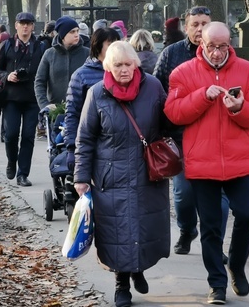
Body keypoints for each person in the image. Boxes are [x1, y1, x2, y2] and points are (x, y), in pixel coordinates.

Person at [164, 21, 249, 304]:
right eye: (211, 46)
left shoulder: (248, 70)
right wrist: (201, 96)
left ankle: (236, 265)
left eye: (222, 46)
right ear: (201, 43)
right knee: (210, 227)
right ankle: (217, 284)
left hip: (240, 162)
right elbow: (173, 113)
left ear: (230, 44)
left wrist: (240, 108)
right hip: (202, 163)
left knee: (246, 215)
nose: (216, 52)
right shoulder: (183, 73)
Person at [74, 41, 170, 307]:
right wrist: (81, 177)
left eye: (128, 64)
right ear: (108, 66)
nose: (124, 70)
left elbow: (169, 123)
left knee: (143, 225)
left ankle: (138, 268)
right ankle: (121, 285)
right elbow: (85, 138)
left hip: (147, 172)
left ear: (136, 64)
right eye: (118, 65)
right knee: (116, 232)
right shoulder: (97, 93)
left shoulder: (153, 87)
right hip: (110, 176)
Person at [154, 6, 229, 256]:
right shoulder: (171, 55)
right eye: (194, 24)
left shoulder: (224, 55)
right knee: (184, 194)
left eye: (204, 23)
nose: (199, 29)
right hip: (181, 136)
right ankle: (187, 229)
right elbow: (157, 91)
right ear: (186, 27)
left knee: (220, 198)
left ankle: (216, 242)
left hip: (217, 136)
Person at [0, 12, 45, 187]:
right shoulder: (7, 45)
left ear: (32, 26)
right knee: (11, 134)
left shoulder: (40, 46)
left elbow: (45, 71)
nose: (25, 27)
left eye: (28, 24)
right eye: (22, 23)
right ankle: (11, 161)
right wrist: (8, 76)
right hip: (11, 98)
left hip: (32, 98)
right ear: (16, 25)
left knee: (29, 136)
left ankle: (23, 174)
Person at [64, 27, 121, 170]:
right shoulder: (81, 75)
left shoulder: (125, 72)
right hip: (92, 140)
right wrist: (72, 148)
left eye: (117, 43)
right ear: (98, 46)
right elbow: (72, 113)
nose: (116, 48)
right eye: (110, 44)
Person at [34, 15, 89, 110]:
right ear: (62, 35)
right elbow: (39, 81)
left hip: (82, 110)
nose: (76, 35)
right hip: (55, 110)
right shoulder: (49, 54)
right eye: (72, 32)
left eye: (77, 31)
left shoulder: (87, 53)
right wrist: (44, 105)